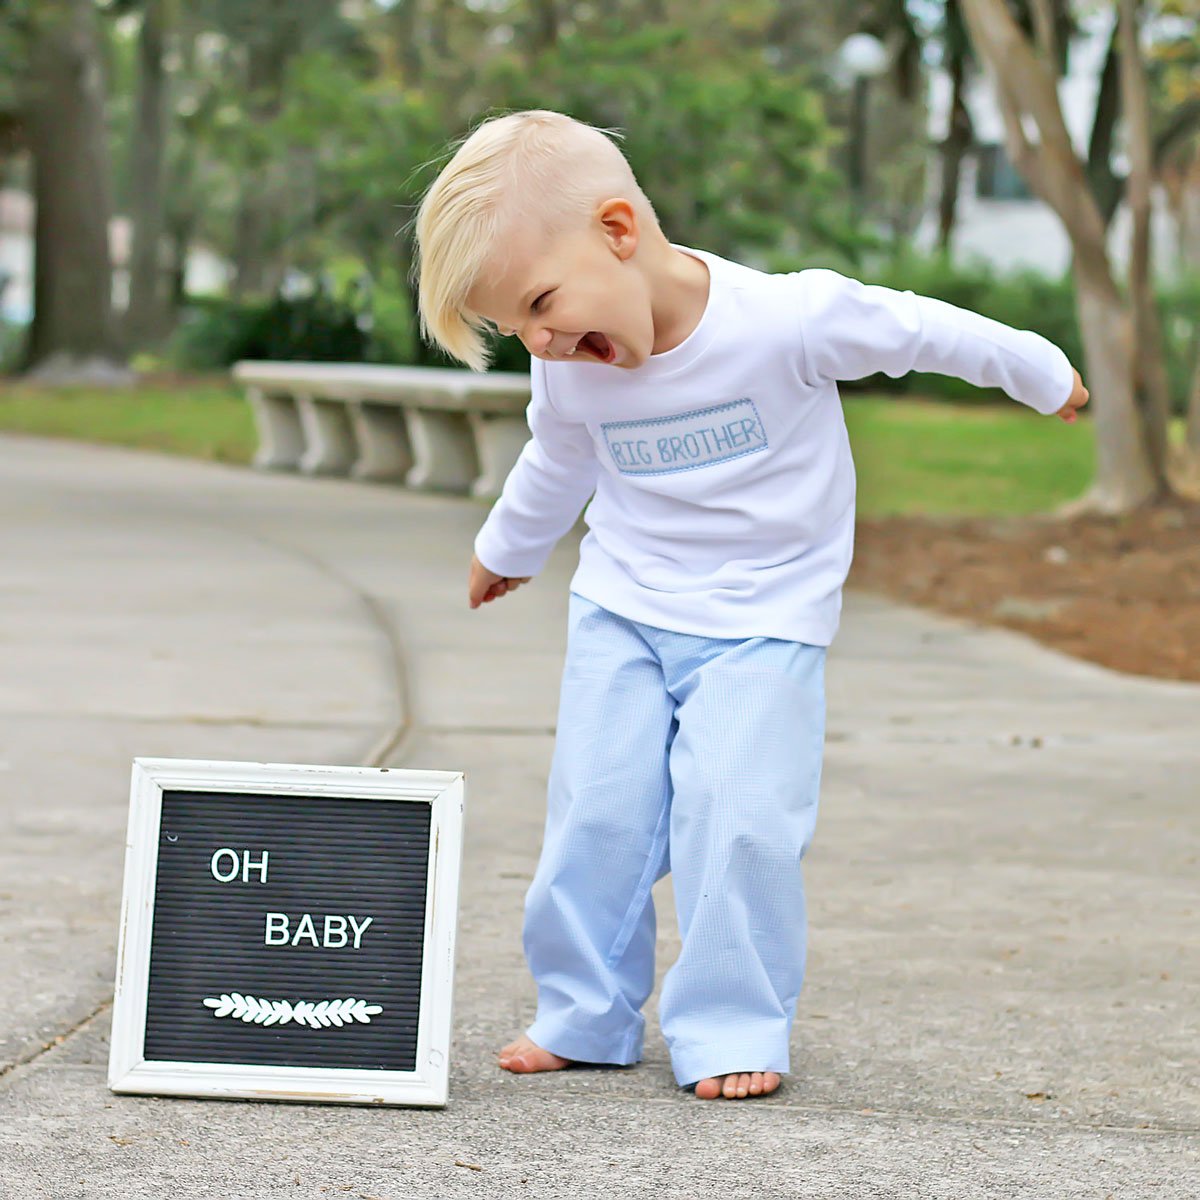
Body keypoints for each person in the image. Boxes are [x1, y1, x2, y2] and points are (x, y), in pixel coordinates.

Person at [413, 109, 1089, 1101]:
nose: (541, 338)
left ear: (617, 229)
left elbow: (923, 331)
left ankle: (732, 1021)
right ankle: (584, 1012)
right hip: (625, 607)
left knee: (738, 822)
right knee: (595, 814)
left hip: (766, 621)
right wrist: (506, 548)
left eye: (541, 303)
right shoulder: (567, 373)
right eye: (516, 326)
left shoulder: (785, 320)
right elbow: (557, 461)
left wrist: (1040, 372)